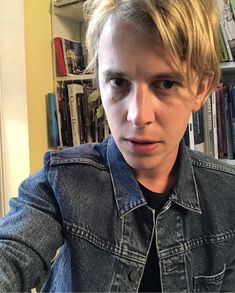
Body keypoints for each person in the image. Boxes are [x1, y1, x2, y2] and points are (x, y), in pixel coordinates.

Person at [0, 0, 235, 292]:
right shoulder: (60, 182)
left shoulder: (228, 196)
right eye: (119, 81)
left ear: (200, 88)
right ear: (99, 78)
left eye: (165, 84)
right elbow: (11, 252)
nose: (138, 115)